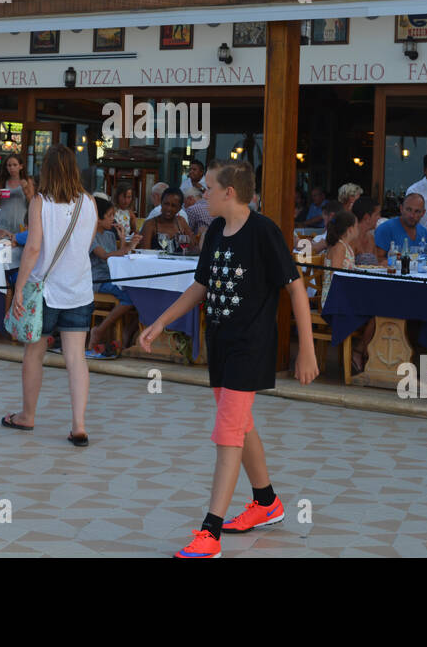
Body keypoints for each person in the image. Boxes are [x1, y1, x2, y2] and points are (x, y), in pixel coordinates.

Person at [138, 159, 317, 559]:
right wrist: (160, 322)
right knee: (240, 422)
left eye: (208, 190)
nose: (203, 196)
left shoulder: (264, 232)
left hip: (250, 347)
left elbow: (296, 287)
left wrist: (306, 348)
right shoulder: (216, 229)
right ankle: (266, 502)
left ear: (229, 192)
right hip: (220, 342)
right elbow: (200, 285)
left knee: (227, 433)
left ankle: (210, 532)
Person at [2, 144, 97, 445]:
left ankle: (27, 415)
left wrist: (19, 287)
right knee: (76, 358)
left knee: (34, 352)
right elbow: (86, 244)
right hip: (79, 288)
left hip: (45, 288)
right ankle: (79, 424)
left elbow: (32, 247)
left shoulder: (40, 202)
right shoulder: (90, 202)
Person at [87, 195, 142, 358]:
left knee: (140, 292)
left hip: (113, 277)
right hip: (98, 279)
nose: (113, 218)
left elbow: (119, 256)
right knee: (129, 296)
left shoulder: (110, 235)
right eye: (110, 215)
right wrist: (128, 246)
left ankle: (128, 332)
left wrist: (124, 239)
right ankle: (99, 330)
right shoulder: (90, 236)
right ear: (97, 217)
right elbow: (105, 256)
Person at [373, 192, 427, 263]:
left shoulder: (423, 231)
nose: (412, 215)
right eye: (409, 210)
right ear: (401, 209)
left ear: (423, 213)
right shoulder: (386, 228)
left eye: (417, 211)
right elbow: (377, 259)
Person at [320, 210, 358, 307]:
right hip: (334, 297)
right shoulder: (339, 247)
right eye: (356, 226)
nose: (358, 229)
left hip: (343, 293)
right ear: (350, 229)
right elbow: (335, 276)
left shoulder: (347, 246)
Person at [139, 188, 194, 252]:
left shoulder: (181, 222)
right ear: (161, 203)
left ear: (179, 209)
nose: (168, 208)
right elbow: (144, 253)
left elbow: (192, 248)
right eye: (166, 204)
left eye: (173, 205)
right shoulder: (150, 224)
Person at [0, 154, 30, 234]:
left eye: (15, 165)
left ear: (21, 166)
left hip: (21, 223)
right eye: (9, 165)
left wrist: (25, 190)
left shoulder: (27, 181)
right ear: (6, 167)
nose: (12, 168)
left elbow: (32, 202)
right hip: (3, 223)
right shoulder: (3, 182)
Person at [349, 196, 382, 266]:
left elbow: (375, 265)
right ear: (367, 217)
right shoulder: (350, 239)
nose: (379, 217)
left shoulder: (371, 238)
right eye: (377, 214)